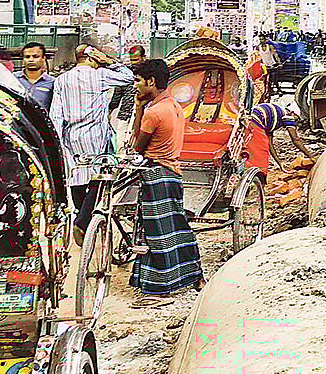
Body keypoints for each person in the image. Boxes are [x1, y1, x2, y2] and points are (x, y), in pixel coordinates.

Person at [130, 59, 203, 301]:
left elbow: (136, 146)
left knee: (157, 233)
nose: (136, 86)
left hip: (156, 174)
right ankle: (193, 273)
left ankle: (160, 285)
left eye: (139, 81)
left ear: (151, 81)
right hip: (172, 172)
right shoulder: (172, 105)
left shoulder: (153, 113)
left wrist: (139, 108)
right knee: (177, 226)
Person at [50, 44, 137, 243]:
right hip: (96, 135)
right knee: (101, 176)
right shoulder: (100, 75)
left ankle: (83, 219)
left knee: (77, 175)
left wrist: (58, 140)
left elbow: (56, 113)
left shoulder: (62, 79)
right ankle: (83, 221)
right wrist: (108, 61)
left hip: (71, 136)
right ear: (91, 57)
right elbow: (128, 77)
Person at [247, 102, 313, 173]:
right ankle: (259, 177)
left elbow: (269, 144)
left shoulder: (272, 121)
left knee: (250, 150)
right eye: (296, 118)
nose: (294, 122)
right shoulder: (288, 116)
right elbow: (295, 140)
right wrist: (310, 157)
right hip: (254, 120)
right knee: (261, 152)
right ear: (293, 113)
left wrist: (280, 163)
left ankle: (251, 174)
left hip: (248, 119)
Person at [15, 42, 55, 111]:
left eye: (35, 56)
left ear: (43, 58)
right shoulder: (13, 79)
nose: (31, 60)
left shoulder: (52, 82)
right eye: (27, 57)